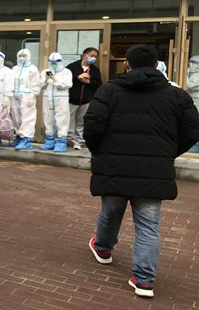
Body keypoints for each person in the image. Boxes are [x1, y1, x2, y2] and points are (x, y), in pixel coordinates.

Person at [84, 44, 199, 299]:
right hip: (153, 171)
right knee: (148, 224)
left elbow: (92, 125)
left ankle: (103, 248)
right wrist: (168, 152)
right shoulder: (177, 95)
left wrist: (100, 152)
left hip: (114, 166)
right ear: (157, 64)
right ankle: (144, 280)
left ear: (127, 64)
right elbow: (193, 130)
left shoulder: (109, 90)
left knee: (111, 211)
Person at [67, 47, 102, 150]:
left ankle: (79, 141)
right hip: (71, 99)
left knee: (81, 121)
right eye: (92, 56)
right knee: (69, 120)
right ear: (85, 55)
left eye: (95, 57)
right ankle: (68, 140)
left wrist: (88, 82)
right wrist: (78, 77)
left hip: (86, 100)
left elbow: (99, 84)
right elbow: (65, 79)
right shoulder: (72, 66)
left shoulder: (95, 70)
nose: (93, 58)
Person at [39, 52, 73, 153]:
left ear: (60, 61)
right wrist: (45, 80)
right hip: (47, 97)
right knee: (48, 118)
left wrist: (55, 79)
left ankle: (61, 141)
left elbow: (67, 84)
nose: (53, 64)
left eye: (55, 62)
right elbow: (40, 85)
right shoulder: (45, 72)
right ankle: (49, 140)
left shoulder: (66, 72)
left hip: (61, 98)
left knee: (62, 119)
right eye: (51, 62)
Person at [9, 49, 41, 150]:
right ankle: (18, 136)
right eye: (20, 56)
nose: (21, 58)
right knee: (16, 117)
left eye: (24, 56)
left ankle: (26, 139)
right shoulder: (15, 68)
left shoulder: (32, 69)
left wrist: (33, 95)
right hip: (15, 95)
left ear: (28, 56)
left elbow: (36, 84)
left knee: (27, 118)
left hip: (27, 96)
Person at [188, 55, 199, 153]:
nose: (190, 64)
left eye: (193, 62)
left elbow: (189, 85)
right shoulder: (189, 73)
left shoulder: (197, 75)